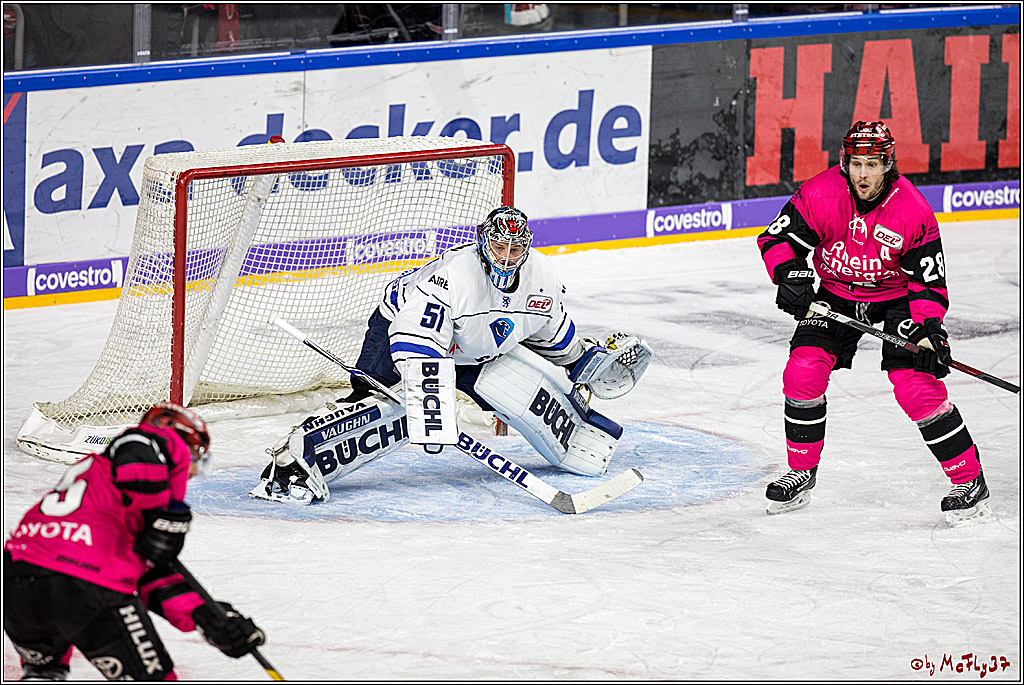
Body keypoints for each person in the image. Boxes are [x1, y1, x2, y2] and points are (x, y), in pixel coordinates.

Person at [253, 206, 652, 503]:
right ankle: (293, 465)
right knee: (389, 408)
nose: (507, 257)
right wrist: (428, 391)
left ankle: (577, 438)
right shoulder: (455, 276)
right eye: (499, 246)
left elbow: (551, 332)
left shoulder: (542, 276)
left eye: (516, 249)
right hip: (402, 332)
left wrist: (584, 362)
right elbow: (415, 335)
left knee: (520, 392)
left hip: (478, 351)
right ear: (484, 241)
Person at [756, 120, 990, 526]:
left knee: (917, 386)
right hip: (835, 295)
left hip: (896, 299)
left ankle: (970, 482)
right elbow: (776, 240)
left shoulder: (912, 210)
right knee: (802, 371)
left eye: (873, 164)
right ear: (845, 162)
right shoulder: (820, 192)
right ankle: (801, 471)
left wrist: (930, 331)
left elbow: (928, 283)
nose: (863, 174)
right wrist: (790, 275)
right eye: (856, 163)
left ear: (889, 164)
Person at [4, 403, 266, 681]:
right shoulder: (150, 448)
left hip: (16, 581)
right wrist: (162, 513)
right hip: (86, 583)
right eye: (197, 459)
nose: (192, 473)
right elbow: (138, 442)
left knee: (44, 672)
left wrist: (210, 617)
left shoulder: (103, 489)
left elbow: (149, 575)